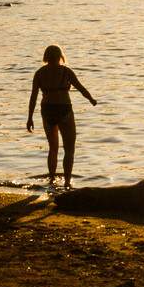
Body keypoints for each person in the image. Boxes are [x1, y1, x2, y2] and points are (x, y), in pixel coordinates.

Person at [26, 45, 97, 188]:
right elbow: (81, 88)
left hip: (47, 110)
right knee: (69, 149)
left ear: (46, 57)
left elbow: (33, 97)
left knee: (53, 148)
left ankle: (52, 180)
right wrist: (91, 99)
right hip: (64, 110)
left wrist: (30, 117)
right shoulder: (66, 71)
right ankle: (67, 182)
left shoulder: (39, 73)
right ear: (60, 56)